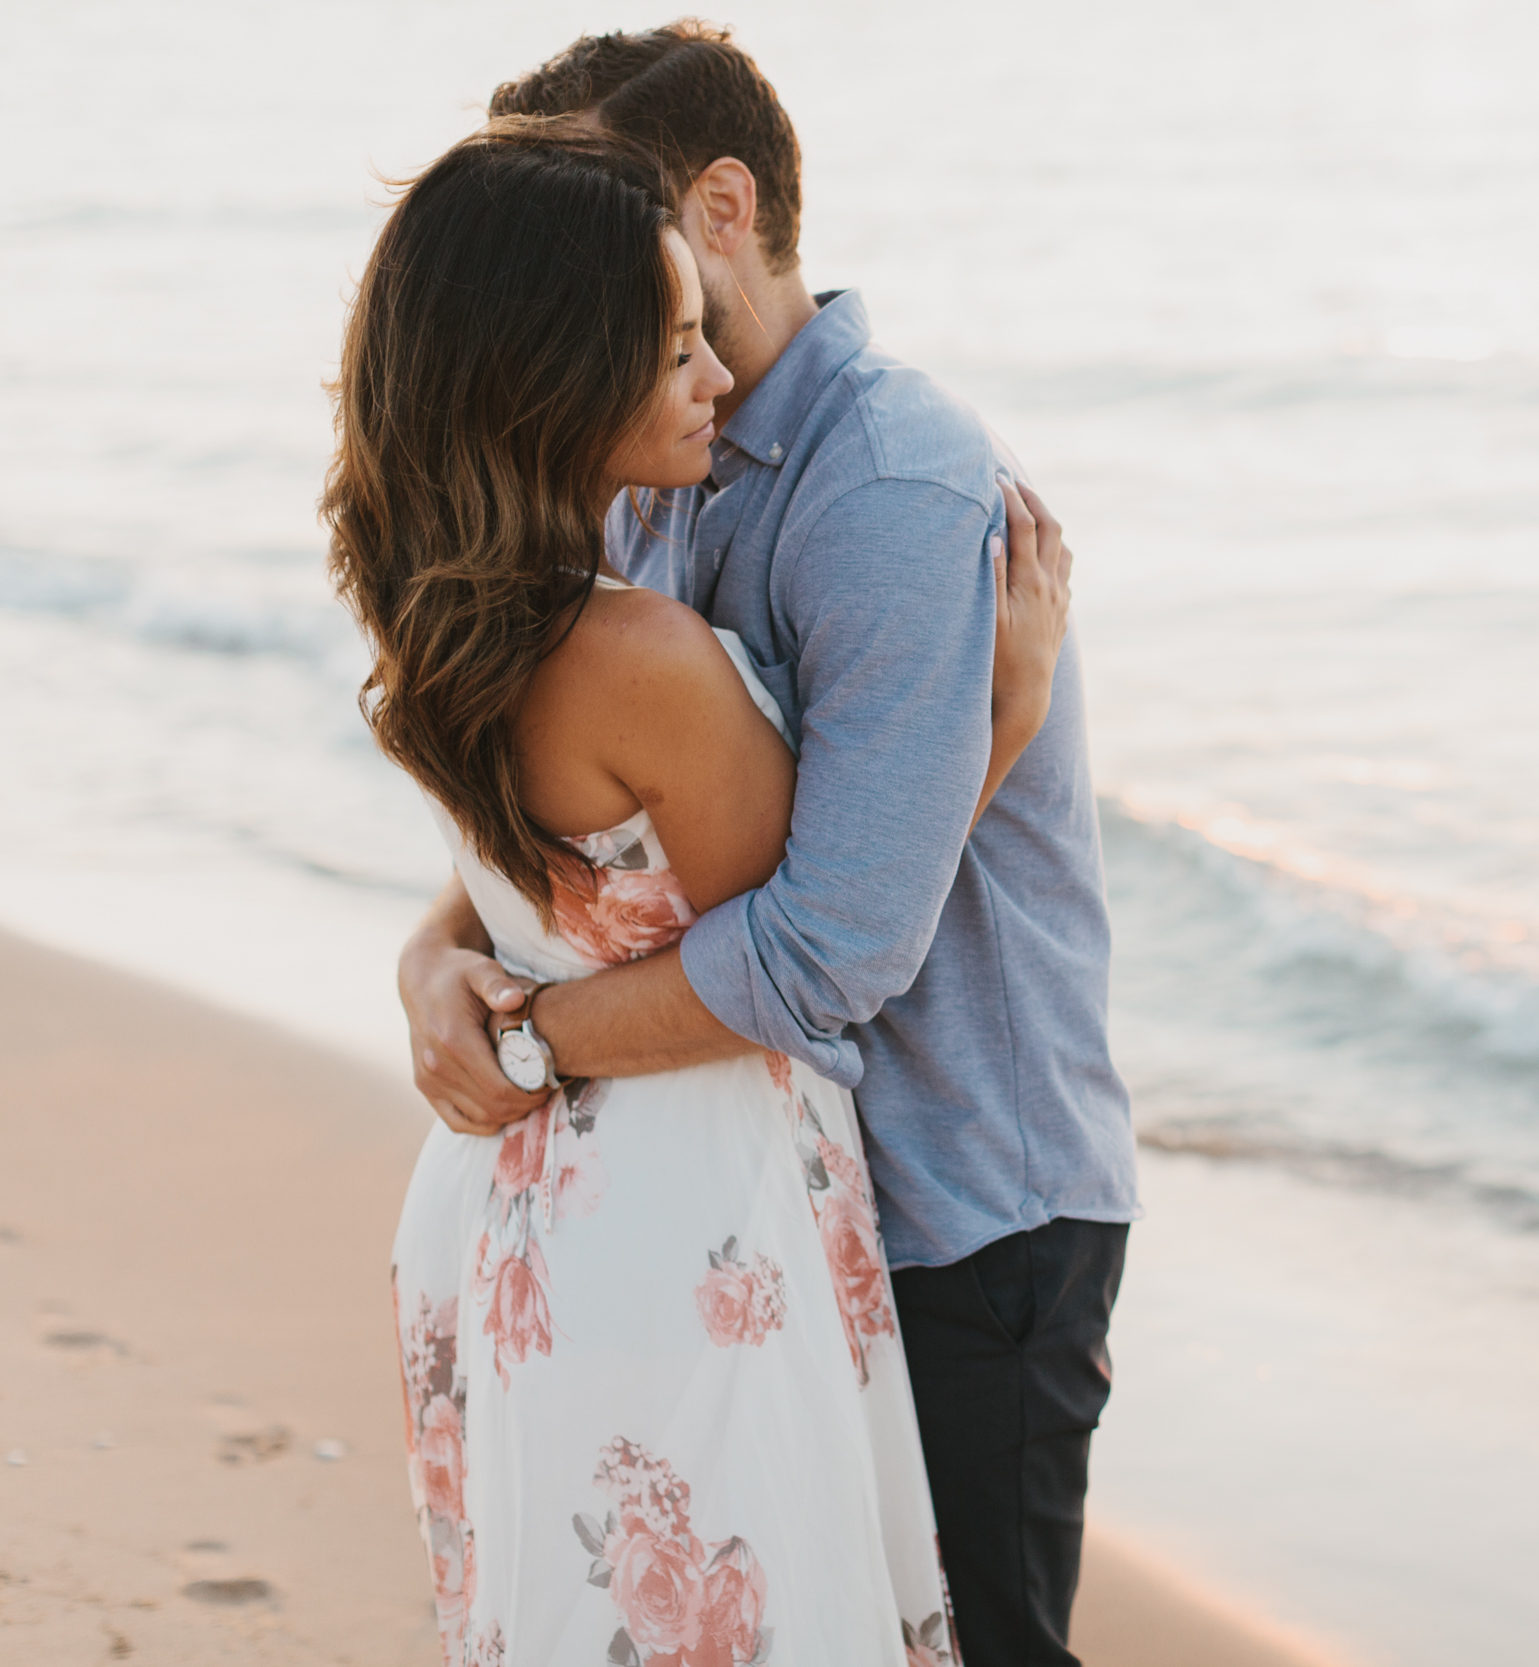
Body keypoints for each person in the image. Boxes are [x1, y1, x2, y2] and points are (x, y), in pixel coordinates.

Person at [390, 24, 1141, 1667]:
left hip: (961, 1197)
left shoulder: (886, 487)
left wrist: (528, 1040)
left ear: (718, 204)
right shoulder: (645, 447)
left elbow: (835, 948)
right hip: (758, 1189)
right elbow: (584, 809)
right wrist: (438, 951)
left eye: (604, 198)